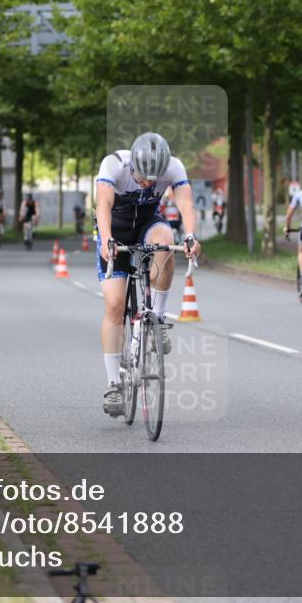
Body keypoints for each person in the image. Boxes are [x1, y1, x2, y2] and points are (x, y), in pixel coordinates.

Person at [96, 132, 201, 417]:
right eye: (143, 177)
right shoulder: (114, 164)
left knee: (166, 241)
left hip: (147, 225)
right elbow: (103, 206)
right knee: (115, 305)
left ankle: (158, 318)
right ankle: (113, 384)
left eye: (154, 179)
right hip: (115, 232)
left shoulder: (174, 167)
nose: (148, 184)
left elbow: (186, 204)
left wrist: (190, 236)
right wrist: (107, 239)